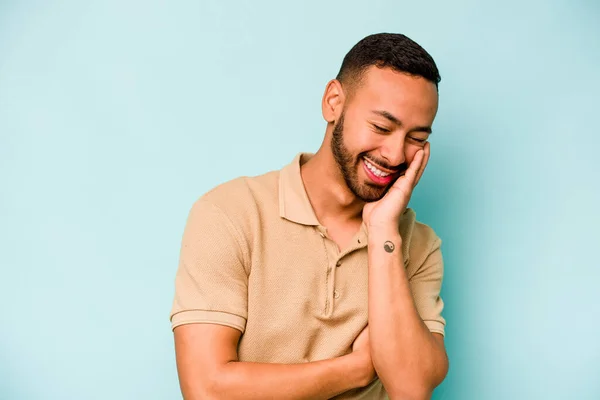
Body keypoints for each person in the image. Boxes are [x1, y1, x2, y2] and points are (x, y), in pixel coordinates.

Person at [169, 32, 448, 399]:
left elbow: (411, 388)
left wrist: (383, 231)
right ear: (334, 102)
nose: (396, 155)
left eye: (416, 138)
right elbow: (206, 390)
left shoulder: (418, 244)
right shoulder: (229, 213)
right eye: (381, 127)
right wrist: (355, 370)